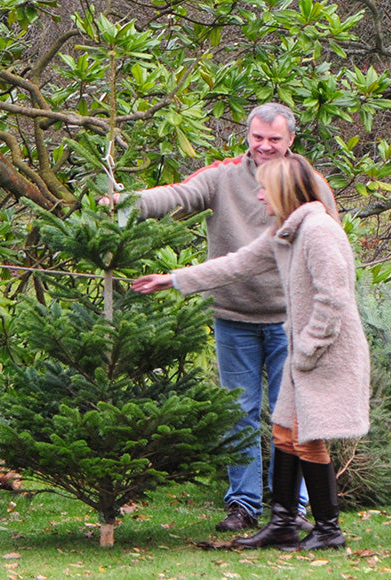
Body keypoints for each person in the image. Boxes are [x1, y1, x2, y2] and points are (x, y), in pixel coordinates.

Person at [105, 103, 336, 532]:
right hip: (233, 316)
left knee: (293, 415)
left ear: (291, 142)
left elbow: (329, 255)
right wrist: (126, 203)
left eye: (275, 139)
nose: (265, 146)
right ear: (247, 136)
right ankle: (243, 504)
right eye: (258, 137)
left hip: (292, 321)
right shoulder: (224, 175)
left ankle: (293, 508)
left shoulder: (310, 185)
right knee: (239, 411)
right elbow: (177, 194)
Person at [132, 154, 369, 550]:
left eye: (265, 189)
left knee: (308, 438)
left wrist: (308, 349)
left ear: (283, 191)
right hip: (304, 351)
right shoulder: (288, 228)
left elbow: (335, 299)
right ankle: (282, 523)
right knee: (283, 431)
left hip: (324, 351)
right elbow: (237, 264)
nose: (258, 196)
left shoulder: (319, 230)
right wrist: (173, 280)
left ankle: (329, 531)